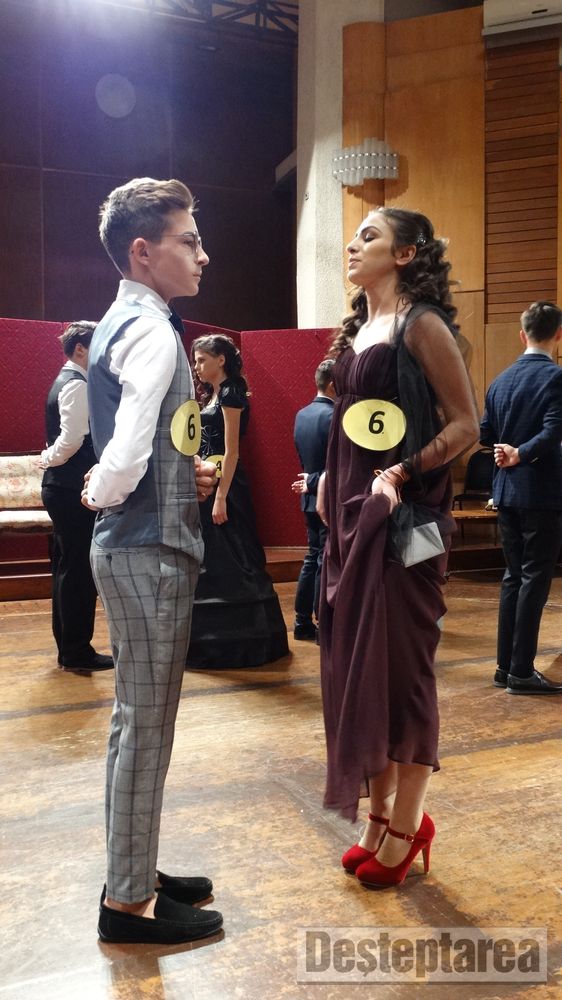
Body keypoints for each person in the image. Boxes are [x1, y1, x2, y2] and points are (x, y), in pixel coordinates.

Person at [318, 207, 478, 889]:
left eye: (370, 237)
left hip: (407, 520)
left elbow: (466, 425)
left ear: (406, 254)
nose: (352, 246)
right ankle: (379, 815)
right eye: (354, 237)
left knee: (405, 669)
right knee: (361, 667)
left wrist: (401, 473)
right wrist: (329, 479)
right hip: (352, 516)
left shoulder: (423, 324)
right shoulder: (362, 324)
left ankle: (410, 822)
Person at [82, 177, 223, 945]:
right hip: (147, 552)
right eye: (189, 240)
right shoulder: (150, 330)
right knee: (146, 729)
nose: (204, 254)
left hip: (139, 545)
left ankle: (131, 871)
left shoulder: (131, 320)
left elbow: (155, 443)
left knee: (133, 723)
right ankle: (128, 904)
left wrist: (183, 473)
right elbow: (128, 450)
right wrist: (101, 491)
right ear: (143, 252)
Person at [186, 334, 289, 669]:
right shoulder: (213, 394)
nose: (197, 366)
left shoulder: (231, 391)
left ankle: (241, 641)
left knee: (233, 551)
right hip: (211, 479)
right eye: (196, 360)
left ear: (221, 360)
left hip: (227, 483)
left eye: (202, 359)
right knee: (214, 553)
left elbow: (232, 452)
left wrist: (221, 497)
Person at [480, 300, 562, 696]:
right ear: (558, 335)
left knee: (513, 577)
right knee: (534, 579)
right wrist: (522, 453)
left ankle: (505, 667)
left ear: (521, 334)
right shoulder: (556, 378)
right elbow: (553, 431)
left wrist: (507, 450)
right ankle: (522, 671)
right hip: (542, 493)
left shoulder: (500, 380)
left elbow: (485, 434)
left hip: (506, 493)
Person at [40, 322, 113, 674]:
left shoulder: (68, 381)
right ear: (80, 349)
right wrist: (48, 457)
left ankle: (70, 648)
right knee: (79, 571)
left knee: (67, 569)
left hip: (62, 488)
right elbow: (71, 441)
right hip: (70, 489)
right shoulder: (76, 385)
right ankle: (76, 651)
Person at [291, 358, 336, 641]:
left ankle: (301, 622)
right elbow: (337, 465)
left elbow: (306, 462)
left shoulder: (302, 415)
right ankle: (323, 624)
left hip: (307, 496)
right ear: (332, 385)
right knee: (323, 560)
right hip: (327, 497)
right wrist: (314, 481)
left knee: (312, 558)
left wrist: (309, 481)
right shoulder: (335, 417)